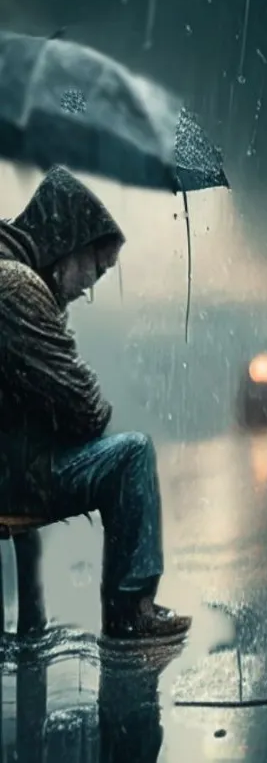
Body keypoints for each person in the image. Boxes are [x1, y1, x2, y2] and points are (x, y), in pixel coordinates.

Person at [0, 165, 191, 643]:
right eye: (98, 269)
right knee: (131, 454)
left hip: (12, 458)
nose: (90, 287)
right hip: (14, 473)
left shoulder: (15, 276)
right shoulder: (17, 287)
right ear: (70, 242)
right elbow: (86, 409)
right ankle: (131, 609)